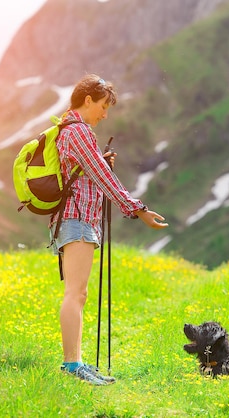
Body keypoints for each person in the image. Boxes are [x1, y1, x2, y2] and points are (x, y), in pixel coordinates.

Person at [51, 74, 168, 385]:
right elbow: (102, 176)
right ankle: (71, 366)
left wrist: (99, 162)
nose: (105, 113)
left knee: (80, 293)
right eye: (103, 106)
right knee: (75, 293)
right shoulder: (78, 131)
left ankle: (76, 362)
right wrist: (138, 209)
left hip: (78, 218)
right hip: (76, 218)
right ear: (87, 100)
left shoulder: (72, 130)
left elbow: (91, 170)